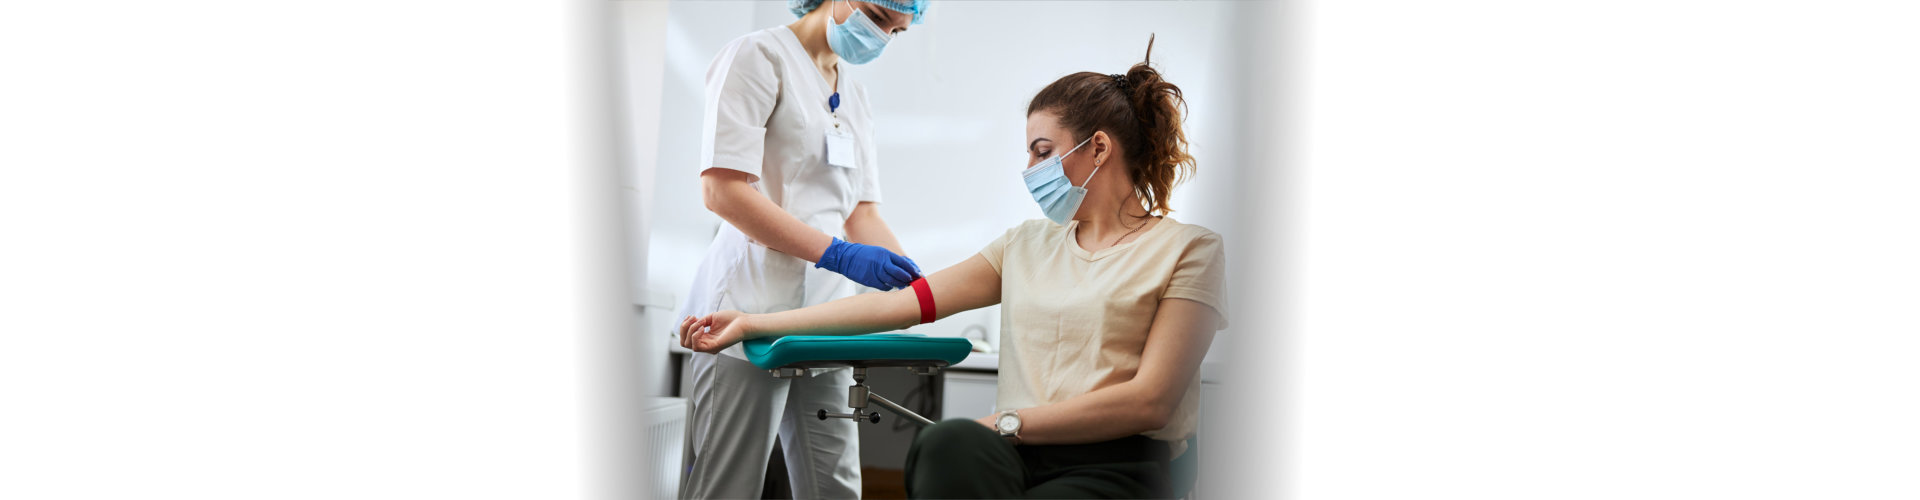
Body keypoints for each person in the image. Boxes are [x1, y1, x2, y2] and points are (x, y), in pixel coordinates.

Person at [680, 38, 1226, 499]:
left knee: (975, 441)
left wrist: (1004, 424)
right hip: (1019, 455)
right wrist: (754, 323)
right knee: (945, 443)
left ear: (1098, 148)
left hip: (1119, 464)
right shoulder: (1025, 245)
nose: (1029, 169)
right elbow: (896, 305)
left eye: (1041, 151)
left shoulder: (1189, 249)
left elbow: (1151, 401)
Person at [673, 1, 929, 498]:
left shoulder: (854, 95)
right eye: (877, 17)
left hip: (825, 321)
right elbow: (723, 190)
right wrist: (838, 253)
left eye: (896, 31)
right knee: (730, 485)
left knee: (835, 486)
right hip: (748, 306)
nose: (881, 37)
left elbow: (862, 214)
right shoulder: (758, 56)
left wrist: (921, 288)